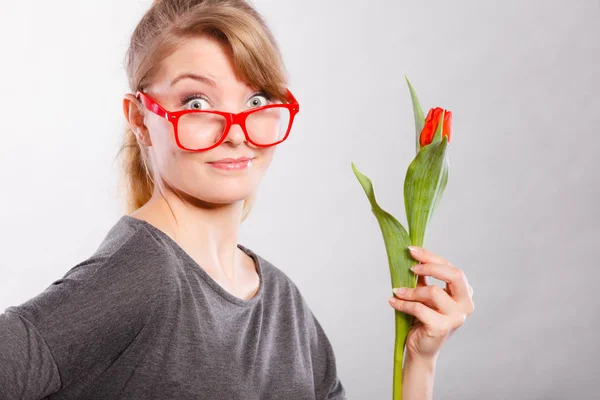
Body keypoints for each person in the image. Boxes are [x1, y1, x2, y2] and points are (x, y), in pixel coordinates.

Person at [0, 0, 475, 399]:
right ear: (141, 119)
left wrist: (419, 361)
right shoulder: (145, 275)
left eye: (255, 100)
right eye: (197, 103)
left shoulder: (282, 301)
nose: (236, 134)